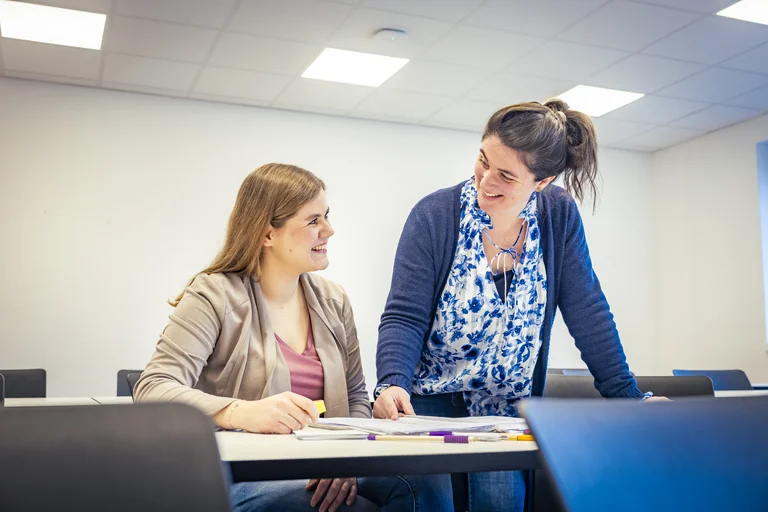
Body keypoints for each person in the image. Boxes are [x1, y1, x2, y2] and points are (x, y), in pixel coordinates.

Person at [372, 99, 654, 511]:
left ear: (542, 181)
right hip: (427, 403)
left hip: (504, 410)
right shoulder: (435, 215)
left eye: (506, 175)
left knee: (499, 502)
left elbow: (587, 309)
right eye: (483, 161)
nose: (487, 180)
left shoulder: (558, 215)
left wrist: (628, 397)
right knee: (433, 503)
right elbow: (405, 315)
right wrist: (392, 381)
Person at [134, 163, 452, 512]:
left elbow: (357, 396)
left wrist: (348, 459)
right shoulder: (213, 295)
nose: (329, 230)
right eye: (313, 220)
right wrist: (241, 413)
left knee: (428, 479)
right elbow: (153, 387)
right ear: (267, 234)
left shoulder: (334, 300)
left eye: (326, 216)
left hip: (326, 461)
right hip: (243, 472)